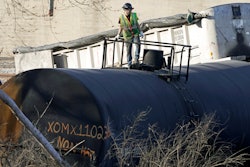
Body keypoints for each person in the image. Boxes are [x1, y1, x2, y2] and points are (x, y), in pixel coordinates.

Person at [115, 3, 144, 69]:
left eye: (130, 9)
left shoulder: (134, 15)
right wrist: (118, 34)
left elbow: (137, 24)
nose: (129, 11)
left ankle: (136, 60)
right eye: (128, 9)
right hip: (127, 36)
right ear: (124, 10)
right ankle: (129, 64)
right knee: (128, 50)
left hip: (135, 33)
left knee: (138, 45)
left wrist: (141, 31)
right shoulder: (121, 17)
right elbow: (120, 26)